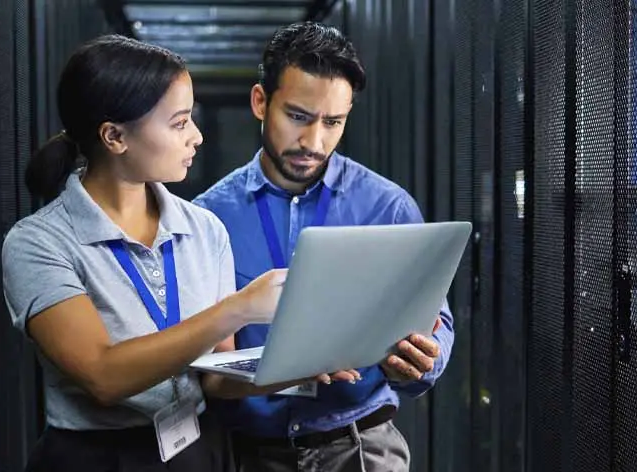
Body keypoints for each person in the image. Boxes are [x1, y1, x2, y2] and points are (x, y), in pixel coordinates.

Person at [1, 34, 353, 472]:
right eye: (180, 122)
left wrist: (297, 366)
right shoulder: (39, 242)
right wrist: (238, 309)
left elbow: (215, 378)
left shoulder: (204, 229)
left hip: (197, 451)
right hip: (95, 458)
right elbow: (103, 376)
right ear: (114, 136)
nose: (198, 137)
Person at [192, 21, 455, 472]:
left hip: (359, 447)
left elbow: (435, 321)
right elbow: (194, 350)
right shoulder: (207, 217)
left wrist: (424, 358)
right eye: (298, 116)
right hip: (243, 452)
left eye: (333, 122)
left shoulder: (387, 207)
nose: (314, 142)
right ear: (260, 102)